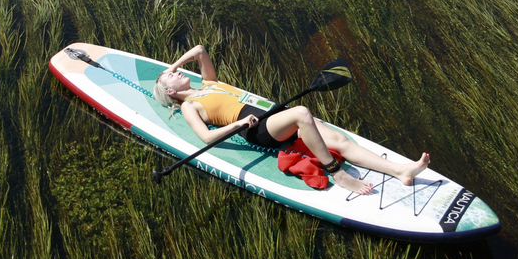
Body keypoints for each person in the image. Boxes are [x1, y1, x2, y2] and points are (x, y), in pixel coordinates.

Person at [153, 45, 430, 194]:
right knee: (301, 113)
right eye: (172, 77)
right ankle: (338, 173)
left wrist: (172, 66)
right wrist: (237, 125)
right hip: (256, 129)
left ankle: (400, 171)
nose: (176, 73)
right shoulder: (191, 105)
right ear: (170, 91)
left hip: (269, 114)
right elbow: (206, 137)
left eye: (175, 71)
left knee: (338, 140)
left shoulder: (207, 84)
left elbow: (200, 50)